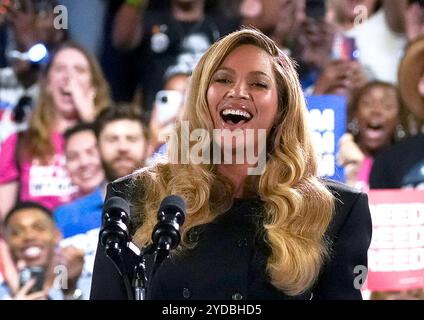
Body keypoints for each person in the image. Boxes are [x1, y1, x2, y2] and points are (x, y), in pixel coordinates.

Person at [90, 28, 372, 300]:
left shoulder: (336, 213)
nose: (237, 91)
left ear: (281, 108)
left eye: (258, 84)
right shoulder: (133, 197)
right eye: (222, 79)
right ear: (202, 96)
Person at [0, 41, 111, 218]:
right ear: (48, 84)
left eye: (79, 70)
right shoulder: (19, 142)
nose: (69, 78)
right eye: (60, 69)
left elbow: (125, 183)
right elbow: (4, 220)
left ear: (94, 86)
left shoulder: (110, 139)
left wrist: (91, 118)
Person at [0, 202, 89, 300]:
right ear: (6, 242)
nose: (29, 236)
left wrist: (70, 290)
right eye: (16, 232)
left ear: (57, 235)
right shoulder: (2, 292)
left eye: (39, 228)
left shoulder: (89, 280)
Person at [337, 81, 406, 191]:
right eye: (367, 103)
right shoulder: (340, 160)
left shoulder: (407, 166)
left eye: (387, 106)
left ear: (399, 118)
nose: (376, 111)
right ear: (355, 114)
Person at [53, 122, 105, 239]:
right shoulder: (61, 216)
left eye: (91, 152)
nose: (84, 162)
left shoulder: (132, 202)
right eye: (73, 157)